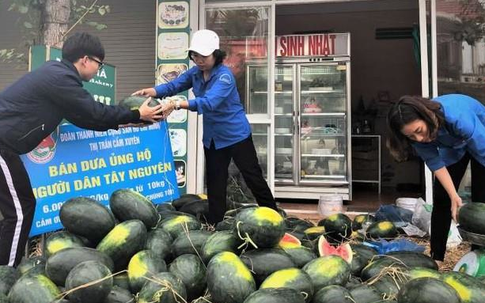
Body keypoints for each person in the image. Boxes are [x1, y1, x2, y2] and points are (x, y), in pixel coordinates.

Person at [0, 32, 164, 267]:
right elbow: (93, 112)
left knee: (18, 208)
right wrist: (136, 113)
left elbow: (86, 119)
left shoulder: (58, 77)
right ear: (85, 59)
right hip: (2, 145)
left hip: (5, 147)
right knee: (21, 211)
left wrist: (134, 120)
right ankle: (6, 273)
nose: (99, 69)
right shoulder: (60, 78)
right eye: (99, 63)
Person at [133, 29, 277, 224]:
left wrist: (176, 104)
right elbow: (173, 86)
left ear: (215, 55)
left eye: (203, 56)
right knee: (215, 181)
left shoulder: (224, 77)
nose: (199, 60)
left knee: (253, 177)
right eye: (195, 55)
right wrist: (151, 91)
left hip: (236, 135)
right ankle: (216, 222)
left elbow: (209, 102)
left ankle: (274, 215)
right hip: (213, 138)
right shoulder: (195, 73)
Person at [387, 94, 485, 261]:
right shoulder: (417, 138)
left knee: (481, 199)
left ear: (428, 116)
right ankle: (437, 257)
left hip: (479, 137)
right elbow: (436, 163)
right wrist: (453, 195)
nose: (419, 139)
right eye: (411, 136)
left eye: (419, 131)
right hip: (453, 147)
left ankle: (477, 254)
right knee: (442, 198)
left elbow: (482, 149)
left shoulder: (457, 116)